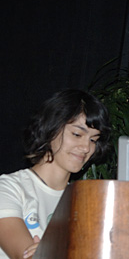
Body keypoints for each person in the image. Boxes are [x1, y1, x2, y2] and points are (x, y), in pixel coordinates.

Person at [0, 89, 111, 259]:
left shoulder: (85, 203)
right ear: (51, 128)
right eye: (77, 134)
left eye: (93, 140)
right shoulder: (9, 188)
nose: (86, 148)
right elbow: (24, 255)